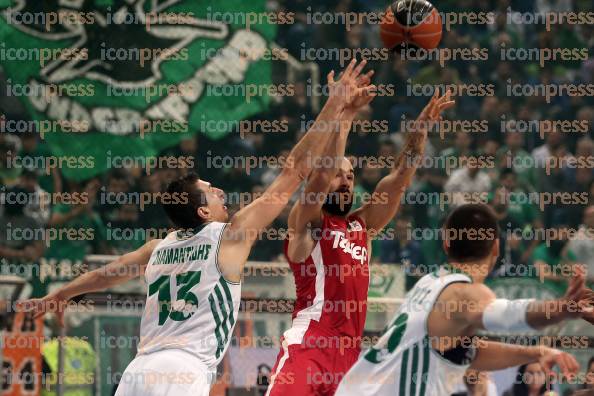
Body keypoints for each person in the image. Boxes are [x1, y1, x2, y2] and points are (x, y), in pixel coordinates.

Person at [16, 59, 377, 396]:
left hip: (137, 372)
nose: (220, 190)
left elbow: (102, 275)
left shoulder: (157, 247)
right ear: (203, 213)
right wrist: (334, 107)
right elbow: (294, 170)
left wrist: (58, 296)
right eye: (211, 191)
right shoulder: (230, 236)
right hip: (184, 370)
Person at [265, 90, 455, 395]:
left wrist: (419, 130)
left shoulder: (361, 227)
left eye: (351, 176)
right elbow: (322, 174)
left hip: (350, 358)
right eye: (339, 176)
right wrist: (347, 115)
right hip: (310, 345)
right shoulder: (308, 222)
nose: (345, 181)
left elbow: (400, 178)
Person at [335, 203, 594, 396]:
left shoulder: (431, 282)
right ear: (496, 248)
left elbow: (467, 352)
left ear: (446, 244)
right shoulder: (465, 293)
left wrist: (536, 352)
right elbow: (507, 316)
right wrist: (562, 308)